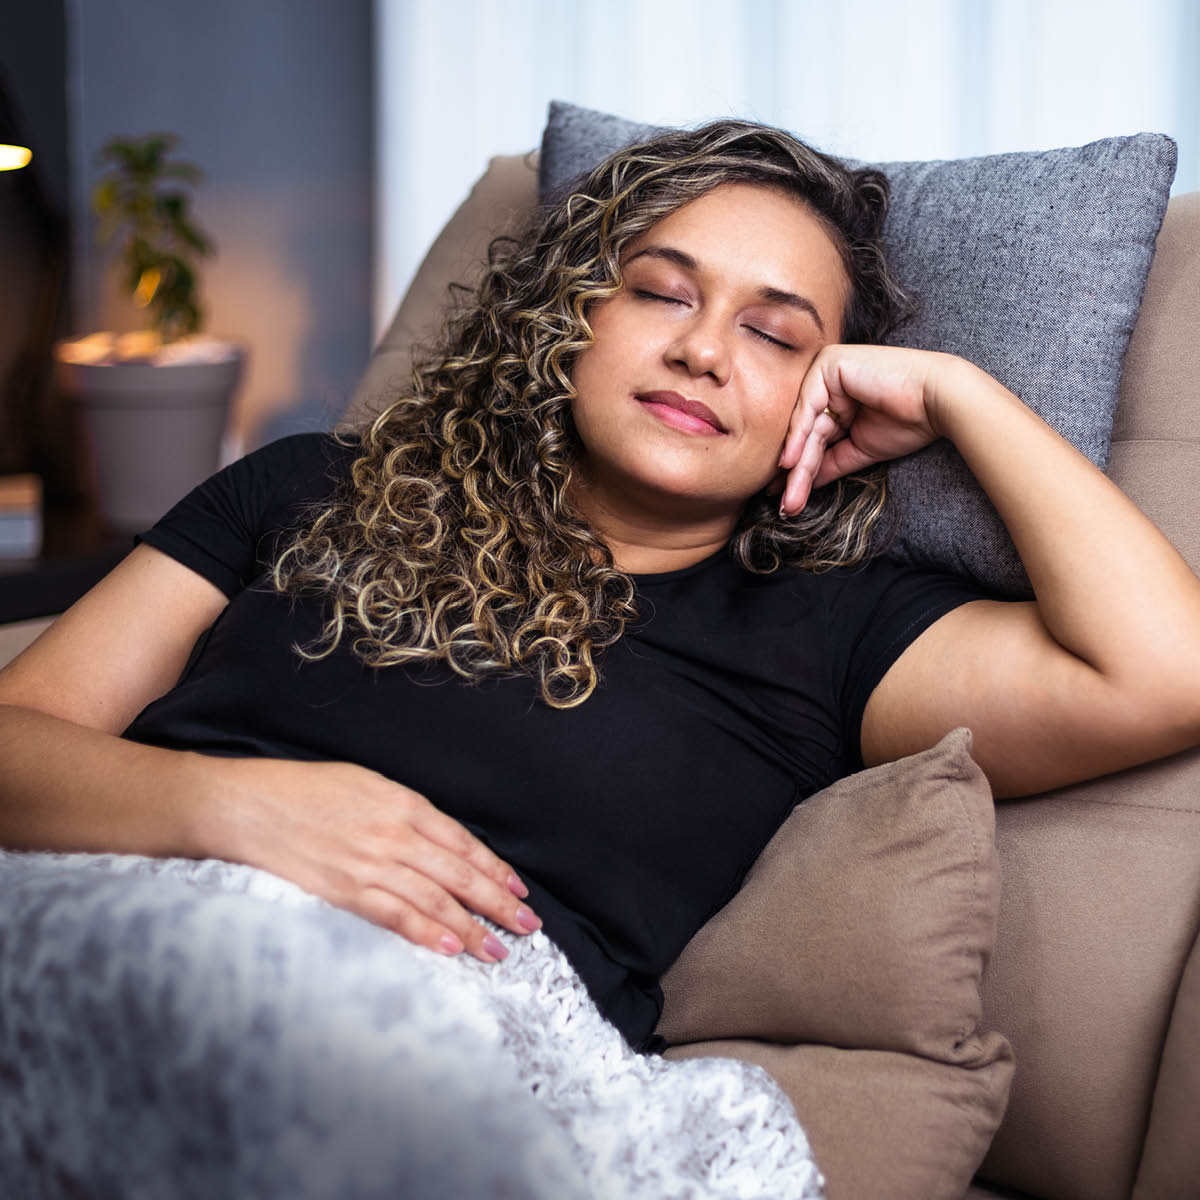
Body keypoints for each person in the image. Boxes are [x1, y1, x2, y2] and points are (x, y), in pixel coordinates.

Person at [1, 119, 1199, 1060]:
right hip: (96, 927)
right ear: (566, 314)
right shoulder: (311, 484)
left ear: (824, 395)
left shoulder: (831, 631)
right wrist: (233, 810)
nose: (704, 350)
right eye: (662, 291)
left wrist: (957, 397)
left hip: (409, 1054)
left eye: (778, 337)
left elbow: (1163, 674)